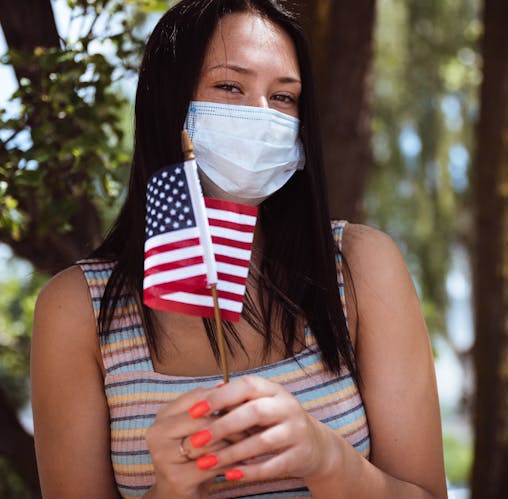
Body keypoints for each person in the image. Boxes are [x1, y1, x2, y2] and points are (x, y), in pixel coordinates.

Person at [30, 0, 447, 498]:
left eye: (285, 97)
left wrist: (327, 457)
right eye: (230, 86)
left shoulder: (361, 265)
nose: (261, 116)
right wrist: (170, 490)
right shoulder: (74, 309)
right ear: (169, 103)